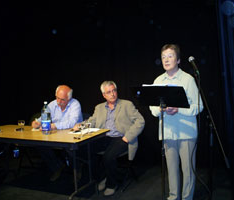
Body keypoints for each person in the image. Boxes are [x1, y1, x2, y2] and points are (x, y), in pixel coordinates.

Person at [149, 44, 203, 200]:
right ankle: (173, 197)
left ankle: (187, 198)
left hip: (186, 132)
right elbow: (152, 109)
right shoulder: (158, 80)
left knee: (188, 170)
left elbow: (198, 106)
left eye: (170, 56)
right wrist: (160, 109)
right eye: (163, 57)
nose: (166, 60)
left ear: (178, 60)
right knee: (171, 170)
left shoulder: (188, 79)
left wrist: (178, 109)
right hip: (167, 132)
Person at [74, 81, 145, 196]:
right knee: (83, 150)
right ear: (104, 95)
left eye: (114, 91)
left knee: (108, 156)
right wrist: (80, 126)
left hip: (121, 137)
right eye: (109, 92)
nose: (112, 94)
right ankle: (103, 176)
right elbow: (92, 121)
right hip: (104, 137)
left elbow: (140, 121)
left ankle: (112, 184)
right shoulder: (99, 107)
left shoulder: (127, 105)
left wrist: (128, 137)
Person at [32, 85, 83, 181]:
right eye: (57, 98)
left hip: (72, 136)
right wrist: (37, 123)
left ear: (69, 98)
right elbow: (42, 118)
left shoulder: (75, 104)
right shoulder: (52, 104)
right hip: (55, 135)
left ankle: (76, 169)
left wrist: (53, 125)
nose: (59, 102)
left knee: (70, 148)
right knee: (39, 144)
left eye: (62, 100)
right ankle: (57, 167)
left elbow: (72, 123)